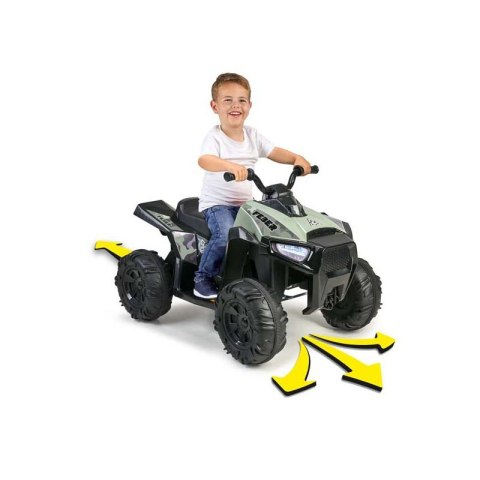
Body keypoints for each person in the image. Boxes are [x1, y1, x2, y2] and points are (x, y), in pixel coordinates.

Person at [193, 73, 312, 299]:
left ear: (249, 105)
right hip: (218, 205)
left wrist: (297, 159)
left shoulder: (252, 135)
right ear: (215, 106)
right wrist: (230, 166)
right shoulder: (215, 137)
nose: (235, 105)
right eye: (227, 100)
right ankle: (203, 278)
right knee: (225, 235)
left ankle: (271, 275)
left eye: (241, 100)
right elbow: (205, 160)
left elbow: (275, 152)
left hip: (247, 205)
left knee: (273, 232)